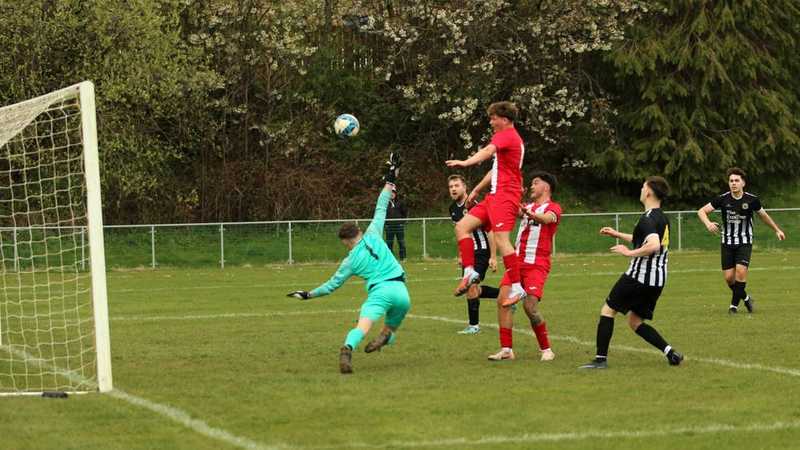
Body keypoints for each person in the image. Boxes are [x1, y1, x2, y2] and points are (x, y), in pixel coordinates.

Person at [287, 153, 409, 374]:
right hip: (401, 291)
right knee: (390, 327)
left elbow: (331, 285)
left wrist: (308, 294)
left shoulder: (350, 261)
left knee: (362, 326)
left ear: (345, 242)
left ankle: (347, 349)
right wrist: (391, 176)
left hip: (379, 292)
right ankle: (386, 336)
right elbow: (382, 204)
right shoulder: (373, 232)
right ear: (359, 231)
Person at [580, 176, 683, 369]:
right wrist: (617, 234)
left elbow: (653, 245)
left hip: (638, 276)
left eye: (643, 187)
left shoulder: (647, 218)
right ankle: (671, 353)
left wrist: (628, 253)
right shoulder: (661, 217)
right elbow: (646, 240)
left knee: (607, 310)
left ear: (649, 192)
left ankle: (600, 360)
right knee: (635, 322)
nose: (641, 190)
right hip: (656, 281)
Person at [445, 101, 526, 306]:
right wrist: (476, 190)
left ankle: (518, 288)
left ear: (504, 119)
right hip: (494, 196)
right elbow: (494, 169)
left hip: (505, 196)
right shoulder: (507, 141)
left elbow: (488, 151)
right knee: (462, 227)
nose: (490, 122)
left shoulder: (506, 135)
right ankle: (470, 272)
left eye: (493, 118)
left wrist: (465, 162)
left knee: (502, 240)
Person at [488, 172, 561, 362]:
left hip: (537, 264)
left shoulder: (553, 208)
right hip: (516, 262)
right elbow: (512, 210)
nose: (532, 186)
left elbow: (546, 219)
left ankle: (546, 349)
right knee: (502, 300)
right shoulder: (527, 207)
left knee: (530, 306)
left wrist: (530, 214)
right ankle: (506, 349)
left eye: (536, 183)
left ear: (546, 187)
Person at [697, 167, 786, 314]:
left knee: (740, 272)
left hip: (744, 242)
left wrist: (777, 229)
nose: (733, 183)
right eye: (731, 181)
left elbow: (763, 216)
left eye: (736, 180)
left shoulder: (752, 200)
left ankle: (733, 306)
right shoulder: (723, 199)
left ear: (743, 183)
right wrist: (708, 224)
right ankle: (746, 298)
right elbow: (701, 211)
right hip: (727, 243)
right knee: (729, 278)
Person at [447, 174, 500, 334]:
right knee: (472, 288)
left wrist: (493, 256)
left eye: (457, 185)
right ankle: (506, 294)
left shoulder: (474, 205)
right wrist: (461, 254)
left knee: (470, 286)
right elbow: (461, 234)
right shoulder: (452, 209)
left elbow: (490, 230)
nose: (453, 189)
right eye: (451, 186)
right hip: (468, 254)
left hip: (482, 251)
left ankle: (474, 326)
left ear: (465, 187)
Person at [385, 187, 408, 260]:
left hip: (399, 226)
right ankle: (390, 259)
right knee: (389, 243)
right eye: (390, 192)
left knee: (401, 242)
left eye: (393, 192)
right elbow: (383, 214)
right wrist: (386, 223)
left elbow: (405, 213)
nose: (391, 194)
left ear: (395, 194)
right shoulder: (385, 203)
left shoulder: (400, 202)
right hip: (389, 226)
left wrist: (402, 222)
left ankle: (403, 257)